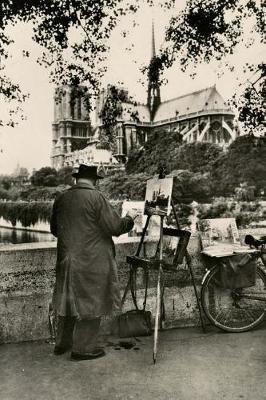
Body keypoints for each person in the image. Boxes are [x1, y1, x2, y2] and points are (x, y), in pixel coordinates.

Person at [50, 164, 137, 361]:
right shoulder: (96, 197)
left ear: (76, 179)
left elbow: (55, 229)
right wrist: (130, 218)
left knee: (67, 301)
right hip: (91, 261)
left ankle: (62, 344)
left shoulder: (61, 198)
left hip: (66, 259)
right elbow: (115, 227)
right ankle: (83, 349)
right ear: (95, 180)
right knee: (91, 302)